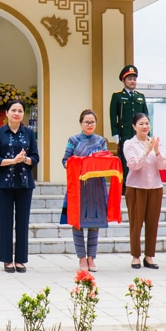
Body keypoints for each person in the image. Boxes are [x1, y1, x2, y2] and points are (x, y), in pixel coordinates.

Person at [62, 109, 115, 272]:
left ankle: (92, 257)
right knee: (78, 222)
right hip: (78, 186)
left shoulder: (100, 141)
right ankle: (81, 258)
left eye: (92, 122)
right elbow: (65, 161)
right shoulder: (73, 140)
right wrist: (81, 162)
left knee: (94, 223)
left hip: (96, 186)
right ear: (81, 123)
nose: (90, 125)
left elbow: (106, 161)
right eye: (87, 122)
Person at [0, 99, 39, 273]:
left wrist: (24, 159)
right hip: (3, 183)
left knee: (22, 221)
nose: (16, 113)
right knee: (5, 221)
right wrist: (13, 160)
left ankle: (20, 260)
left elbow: (35, 157)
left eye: (20, 111)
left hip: (25, 183)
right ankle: (7, 260)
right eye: (13, 110)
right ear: (7, 113)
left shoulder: (29, 133)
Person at [122, 112, 166, 270]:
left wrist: (156, 151)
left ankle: (149, 256)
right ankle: (136, 256)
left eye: (147, 123)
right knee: (136, 223)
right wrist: (146, 151)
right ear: (134, 126)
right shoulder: (129, 144)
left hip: (155, 187)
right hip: (136, 188)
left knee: (152, 223)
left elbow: (162, 166)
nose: (145, 126)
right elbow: (133, 164)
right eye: (141, 123)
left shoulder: (155, 142)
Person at [110, 65, 148, 184]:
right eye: (130, 79)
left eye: (134, 79)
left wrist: (147, 132)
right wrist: (115, 133)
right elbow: (112, 115)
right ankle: (126, 182)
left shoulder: (140, 96)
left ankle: (140, 180)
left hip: (139, 133)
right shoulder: (117, 96)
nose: (132, 81)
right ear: (124, 81)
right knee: (127, 156)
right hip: (124, 132)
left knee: (141, 154)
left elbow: (145, 115)